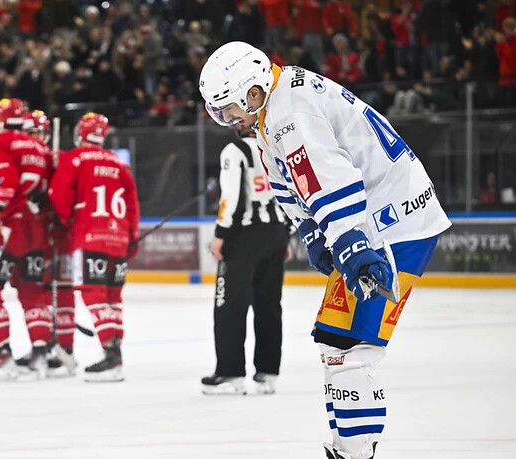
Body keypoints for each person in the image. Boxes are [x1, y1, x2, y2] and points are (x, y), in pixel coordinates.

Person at [199, 42, 451, 459]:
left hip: (392, 224)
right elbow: (286, 181)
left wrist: (348, 240)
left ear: (252, 89)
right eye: (218, 111)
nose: (226, 119)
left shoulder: (289, 111)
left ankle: (355, 452)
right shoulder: (273, 109)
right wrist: (314, 232)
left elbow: (330, 176)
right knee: (334, 343)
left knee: (352, 349)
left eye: (227, 108)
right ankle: (348, 448)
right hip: (370, 221)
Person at [48, 112, 140, 382]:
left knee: (93, 294)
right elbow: (132, 207)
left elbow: (59, 197)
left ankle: (110, 355)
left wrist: (65, 222)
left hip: (90, 237)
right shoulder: (119, 165)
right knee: (113, 297)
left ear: (80, 133)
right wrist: (131, 237)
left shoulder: (74, 158)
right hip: (119, 238)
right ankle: (115, 351)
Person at [202, 124, 289, 395]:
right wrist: (285, 233)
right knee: (269, 306)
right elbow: (292, 195)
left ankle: (230, 375)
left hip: (244, 237)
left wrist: (220, 234)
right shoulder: (276, 149)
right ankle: (267, 374)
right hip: (275, 233)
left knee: (229, 305)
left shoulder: (234, 150)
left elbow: (233, 198)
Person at [0, 98, 53, 381]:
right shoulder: (41, 147)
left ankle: (3, 352)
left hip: (10, 227)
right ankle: (40, 354)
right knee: (33, 293)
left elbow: (4, 183)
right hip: (38, 230)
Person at [18, 109, 78, 377]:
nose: (32, 138)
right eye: (28, 133)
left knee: (62, 289)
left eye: (35, 133)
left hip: (62, 233)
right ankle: (43, 344)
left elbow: (71, 194)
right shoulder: (24, 161)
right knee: (39, 290)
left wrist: (54, 200)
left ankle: (65, 347)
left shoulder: (60, 158)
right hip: (37, 237)